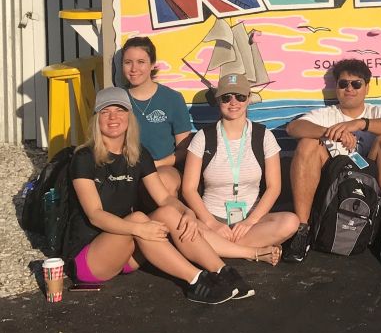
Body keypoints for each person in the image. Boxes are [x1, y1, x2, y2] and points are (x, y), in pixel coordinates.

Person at [63, 87, 251, 304]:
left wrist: (187, 212)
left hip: (128, 251)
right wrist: (138, 228)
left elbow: (164, 199)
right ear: (96, 119)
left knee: (170, 212)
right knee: (138, 218)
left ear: (129, 117)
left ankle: (221, 271)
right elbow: (95, 215)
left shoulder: (138, 153)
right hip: (90, 259)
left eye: (120, 110)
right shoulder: (84, 158)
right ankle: (195, 281)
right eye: (105, 112)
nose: (113, 117)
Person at [284, 59, 381, 262]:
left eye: (356, 84)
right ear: (336, 87)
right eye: (343, 84)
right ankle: (302, 231)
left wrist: (359, 124)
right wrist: (331, 133)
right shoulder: (326, 115)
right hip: (332, 183)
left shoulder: (379, 113)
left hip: (368, 181)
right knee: (307, 143)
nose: (349, 89)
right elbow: (293, 128)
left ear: (367, 87)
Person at [181, 73, 300, 267]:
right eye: (226, 97)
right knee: (186, 230)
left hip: (250, 221)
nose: (233, 102)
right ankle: (252, 252)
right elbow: (188, 189)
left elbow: (274, 187)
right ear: (218, 100)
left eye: (240, 96)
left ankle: (220, 249)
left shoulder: (264, 136)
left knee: (290, 222)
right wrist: (212, 223)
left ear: (248, 99)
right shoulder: (203, 137)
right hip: (210, 219)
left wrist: (250, 222)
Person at [121, 36, 193, 196]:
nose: (134, 68)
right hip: (126, 172)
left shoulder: (172, 98)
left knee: (162, 183)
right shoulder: (117, 100)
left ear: (152, 64)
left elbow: (183, 151)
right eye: (128, 62)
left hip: (163, 169)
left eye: (141, 62)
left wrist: (153, 165)